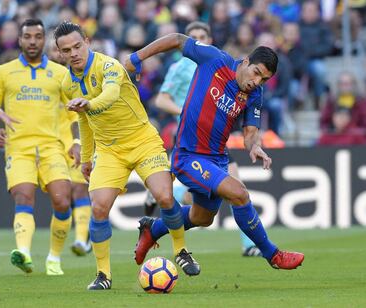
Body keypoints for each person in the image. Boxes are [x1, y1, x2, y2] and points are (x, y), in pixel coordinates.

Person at [125, 32, 304, 271]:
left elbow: (250, 132)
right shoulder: (214, 59)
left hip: (216, 158)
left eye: (264, 79)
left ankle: (152, 229)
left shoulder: (254, 95)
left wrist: (256, 146)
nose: (257, 82)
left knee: (203, 217)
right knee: (239, 193)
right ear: (245, 62)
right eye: (256, 73)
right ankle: (273, 254)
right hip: (189, 155)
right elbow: (178, 39)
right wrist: (138, 57)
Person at [54, 21, 200, 291]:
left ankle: (181, 250)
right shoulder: (67, 82)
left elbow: (108, 96)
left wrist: (89, 103)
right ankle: (103, 275)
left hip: (143, 141)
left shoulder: (110, 66)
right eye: (66, 50)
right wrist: (87, 158)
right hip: (109, 151)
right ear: (60, 54)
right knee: (98, 207)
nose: (73, 53)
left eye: (77, 46)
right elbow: (84, 122)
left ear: (87, 41)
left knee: (165, 197)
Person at [153, 21, 261, 257]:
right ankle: (166, 196)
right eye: (194, 36)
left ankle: (248, 245)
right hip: (190, 137)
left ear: (209, 39)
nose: (199, 38)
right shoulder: (180, 68)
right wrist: (189, 109)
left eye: (203, 35)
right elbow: (160, 100)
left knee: (235, 186)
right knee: (219, 193)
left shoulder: (218, 66)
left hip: (216, 142)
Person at [0, 19, 77, 276]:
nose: (33, 41)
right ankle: (23, 253)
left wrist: (77, 142)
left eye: (38, 36)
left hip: (51, 146)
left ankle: (54, 258)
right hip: (18, 147)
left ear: (44, 40)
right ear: (20, 40)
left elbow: (75, 112)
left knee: (61, 201)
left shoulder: (60, 73)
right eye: (28, 37)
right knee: (24, 195)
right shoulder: (3, 72)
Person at [46, 37, 92, 256]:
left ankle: (82, 239)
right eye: (54, 51)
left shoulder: (75, 77)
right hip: (52, 144)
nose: (57, 54)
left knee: (79, 188)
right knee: (62, 195)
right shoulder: (48, 78)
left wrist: (79, 141)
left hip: (75, 139)